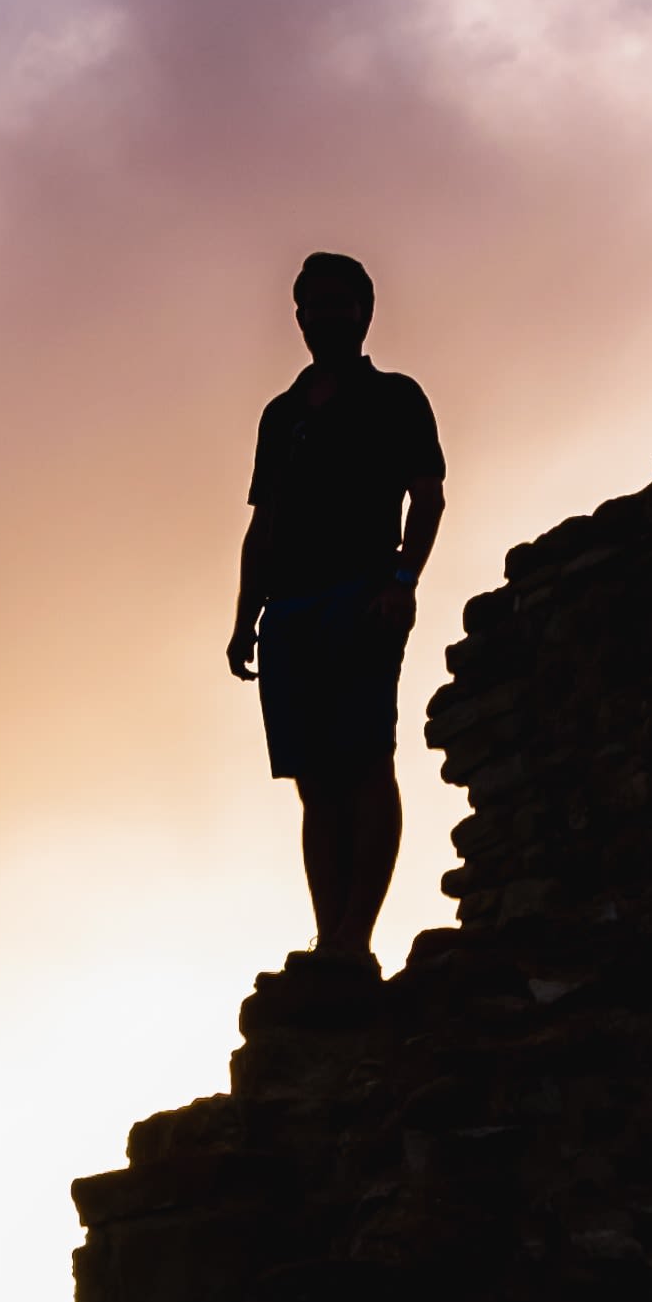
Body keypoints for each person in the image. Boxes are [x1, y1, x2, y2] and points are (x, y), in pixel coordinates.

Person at [228, 251, 445, 975]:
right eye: (313, 304)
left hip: (360, 593)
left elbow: (429, 495)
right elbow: (265, 521)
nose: (325, 315)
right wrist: (243, 615)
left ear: (364, 311)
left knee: (363, 761)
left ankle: (356, 935)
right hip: (287, 609)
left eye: (338, 302)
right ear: (299, 317)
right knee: (312, 781)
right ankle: (330, 940)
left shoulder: (396, 397)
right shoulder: (281, 415)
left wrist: (403, 580)